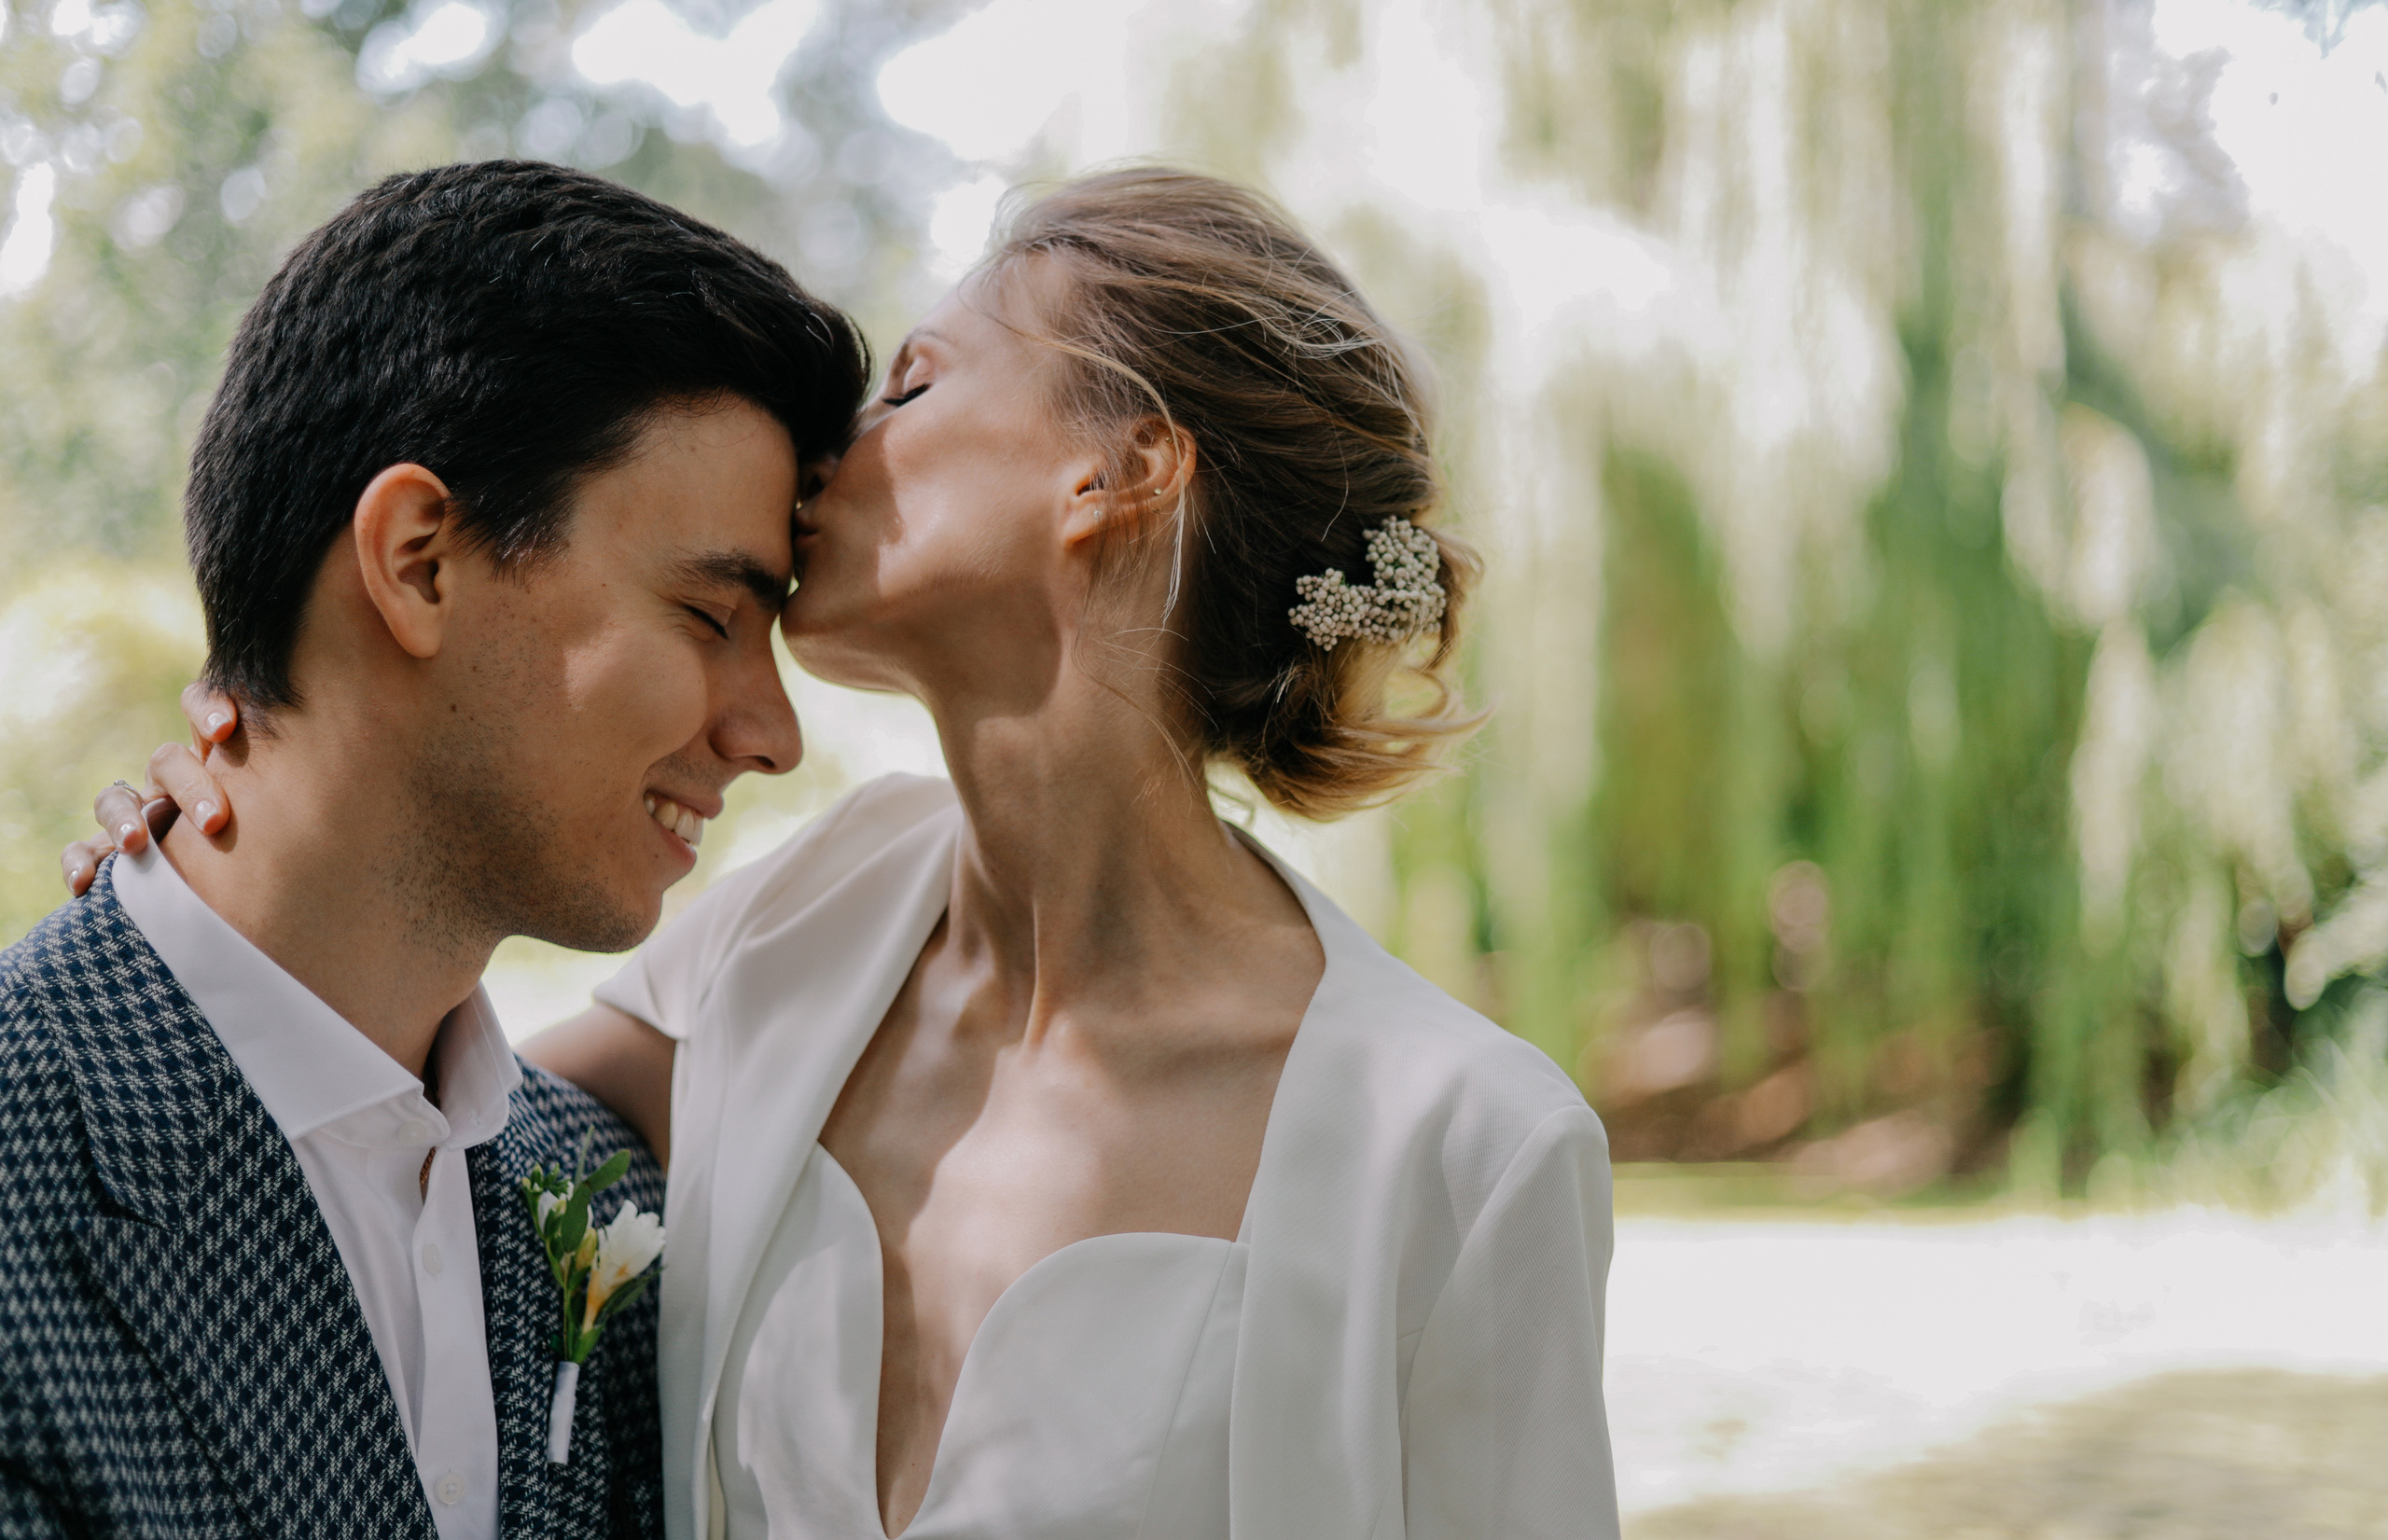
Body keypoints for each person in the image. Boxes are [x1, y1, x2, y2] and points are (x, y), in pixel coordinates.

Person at [71, 168, 1619, 1539]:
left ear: (1118, 474)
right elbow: (405, 1138)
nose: (832, 454)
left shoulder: (1467, 1152)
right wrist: (240, 823)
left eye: (916, 385)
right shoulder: (813, 919)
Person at [11, 160, 868, 1539]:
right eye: (711, 617)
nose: (773, 736)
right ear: (419, 560)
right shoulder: (32, 1152)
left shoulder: (603, 1186)